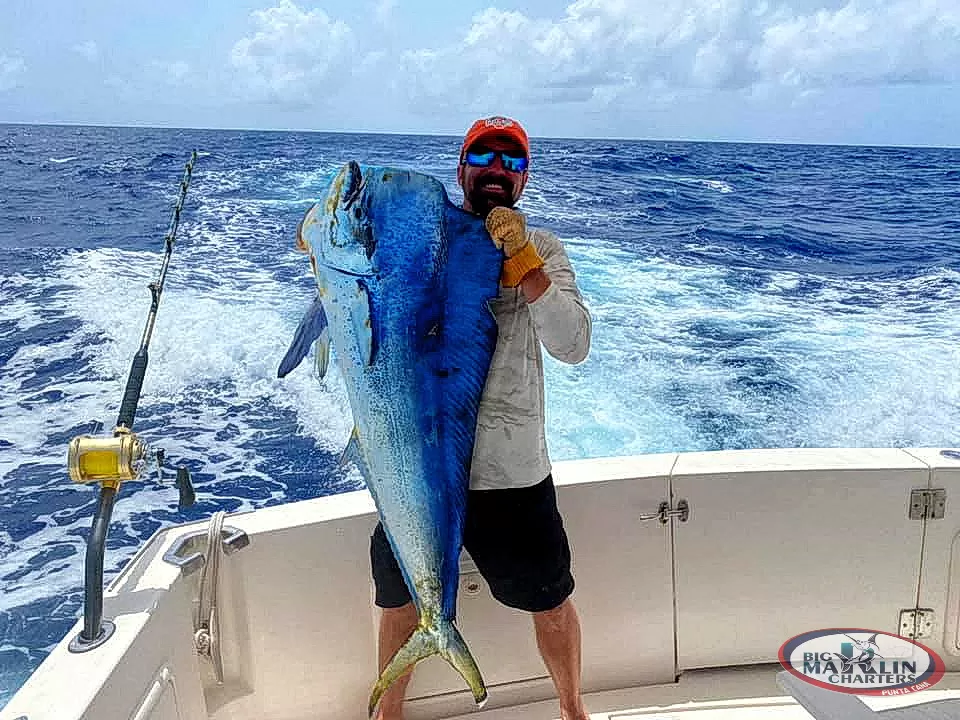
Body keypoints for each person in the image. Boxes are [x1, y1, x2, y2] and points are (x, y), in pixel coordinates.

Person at [370, 115, 593, 720]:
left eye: (512, 162)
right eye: (486, 158)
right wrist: (318, 248)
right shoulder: (422, 237)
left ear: (523, 179)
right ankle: (388, 715)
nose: (498, 171)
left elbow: (573, 345)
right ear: (462, 168)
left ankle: (573, 711)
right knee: (398, 604)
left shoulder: (541, 246)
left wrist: (524, 260)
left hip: (509, 471)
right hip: (415, 461)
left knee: (550, 602)